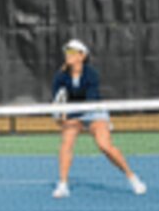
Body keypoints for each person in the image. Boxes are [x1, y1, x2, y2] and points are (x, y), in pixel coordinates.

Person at [51, 39, 146, 199]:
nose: (68, 55)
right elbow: (57, 98)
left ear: (82, 56)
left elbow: (91, 99)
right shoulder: (61, 76)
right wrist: (60, 115)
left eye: (72, 52)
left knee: (105, 146)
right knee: (66, 144)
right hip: (75, 112)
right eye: (67, 52)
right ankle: (63, 185)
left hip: (94, 111)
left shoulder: (91, 74)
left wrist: (70, 114)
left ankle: (132, 177)